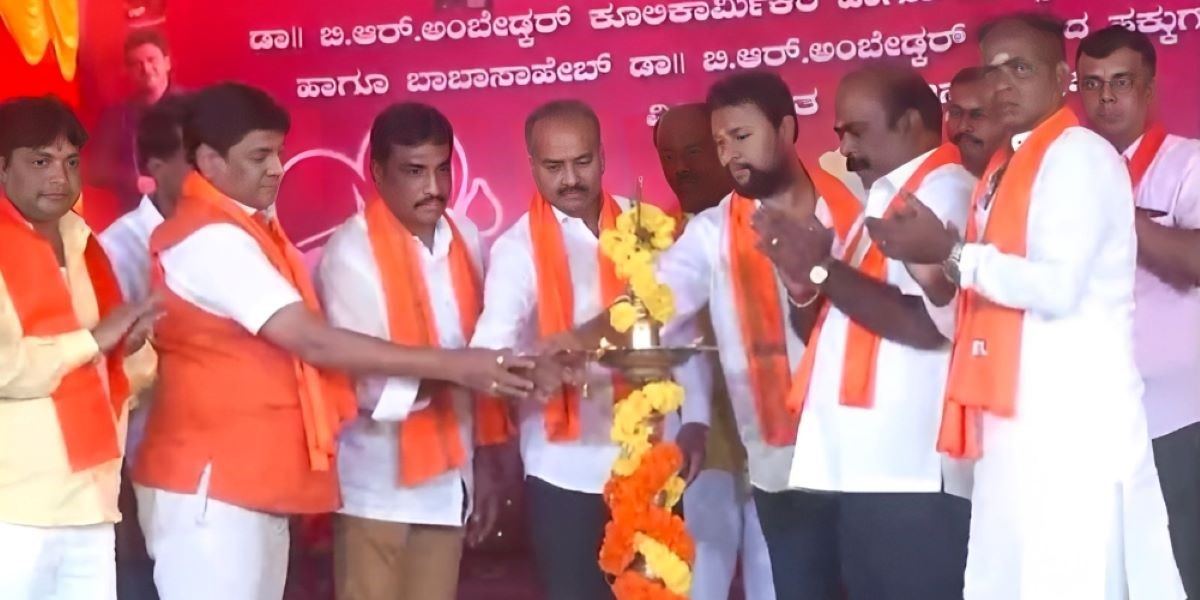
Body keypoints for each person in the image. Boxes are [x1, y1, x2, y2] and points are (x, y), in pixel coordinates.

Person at [131, 83, 535, 600]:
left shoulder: (250, 229)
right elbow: (314, 343)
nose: (277, 168)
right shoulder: (211, 238)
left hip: (254, 481)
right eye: (260, 156)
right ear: (209, 161)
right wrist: (460, 367)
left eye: (278, 152)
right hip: (215, 488)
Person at [867, 13, 1184, 599]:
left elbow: (1055, 289)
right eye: (993, 71)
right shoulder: (999, 173)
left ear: (1062, 77)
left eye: (1021, 68)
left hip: (1073, 430)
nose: (1002, 84)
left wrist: (952, 252)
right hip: (1012, 429)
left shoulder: (1079, 155)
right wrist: (931, 271)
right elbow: (974, 309)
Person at [749, 64, 974, 600]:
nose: (845, 146)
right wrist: (803, 283)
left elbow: (929, 325)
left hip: (914, 468)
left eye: (858, 130)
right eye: (838, 132)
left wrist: (825, 271)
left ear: (913, 123)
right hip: (862, 468)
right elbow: (834, 325)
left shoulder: (946, 194)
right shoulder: (878, 199)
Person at [470, 99, 707, 600]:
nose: (570, 179)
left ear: (602, 157)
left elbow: (684, 329)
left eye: (581, 162)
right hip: (565, 471)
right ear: (531, 166)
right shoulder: (518, 250)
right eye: (554, 167)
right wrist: (536, 371)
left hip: (652, 460)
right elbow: (490, 348)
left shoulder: (651, 230)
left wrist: (696, 420)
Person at [650, 71, 862, 598]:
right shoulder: (712, 232)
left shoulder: (857, 214)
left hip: (865, 463)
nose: (728, 157)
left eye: (740, 138)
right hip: (779, 467)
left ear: (786, 129)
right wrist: (580, 342)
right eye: (721, 143)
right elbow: (654, 304)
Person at [316, 102, 518, 600]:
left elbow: (484, 352)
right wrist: (463, 371)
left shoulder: (466, 237)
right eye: (414, 171)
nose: (433, 187)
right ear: (378, 172)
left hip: (451, 482)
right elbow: (367, 388)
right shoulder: (349, 254)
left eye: (442, 168)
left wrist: (486, 468)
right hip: (376, 489)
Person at [0, 95, 159, 600]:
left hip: (91, 501)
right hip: (15, 510)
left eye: (70, 162)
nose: (58, 178)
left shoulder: (86, 245)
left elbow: (130, 378)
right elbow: (6, 368)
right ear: (1, 168)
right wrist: (93, 342)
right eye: (40, 161)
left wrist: (129, 348)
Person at [1078, 25, 1200, 599]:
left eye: (1121, 83)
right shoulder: (1060, 174)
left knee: (1180, 574)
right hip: (1086, 425)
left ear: (1148, 89)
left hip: (1175, 420)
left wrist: (1115, 208)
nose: (1105, 98)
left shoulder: (1186, 164)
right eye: (1093, 84)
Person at [653, 103, 774, 600]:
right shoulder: (655, 241)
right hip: (703, 434)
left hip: (776, 420)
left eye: (695, 151)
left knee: (772, 563)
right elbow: (667, 331)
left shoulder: (776, 221)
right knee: (706, 560)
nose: (681, 166)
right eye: (668, 155)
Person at [99, 93, 189, 600]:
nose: (207, 167)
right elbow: (115, 370)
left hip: (231, 455)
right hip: (152, 460)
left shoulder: (234, 233)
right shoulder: (118, 248)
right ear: (156, 166)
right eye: (192, 156)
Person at [89, 29, 181, 212]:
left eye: (151, 60)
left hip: (188, 213)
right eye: (137, 64)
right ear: (127, 71)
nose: (146, 69)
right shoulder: (115, 116)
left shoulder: (192, 109)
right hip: (138, 217)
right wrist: (133, 180)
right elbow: (96, 169)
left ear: (167, 62)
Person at [946, 66, 1006, 178]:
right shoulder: (937, 181)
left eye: (977, 115)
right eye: (956, 113)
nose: (962, 127)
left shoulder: (1033, 181)